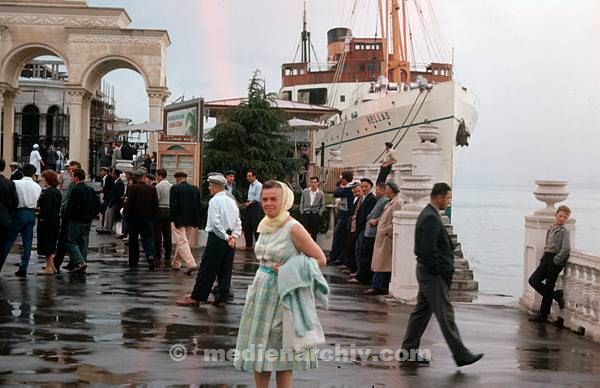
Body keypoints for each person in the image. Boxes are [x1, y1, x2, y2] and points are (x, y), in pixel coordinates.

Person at [233, 180, 327, 388]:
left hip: (283, 294)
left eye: (273, 199)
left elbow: (320, 259)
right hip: (261, 292)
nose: (268, 203)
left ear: (284, 200)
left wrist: (292, 268)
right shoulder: (265, 224)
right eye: (264, 199)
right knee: (260, 351)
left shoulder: (294, 228)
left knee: (283, 353)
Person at [401, 183, 484, 367]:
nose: (448, 201)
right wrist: (439, 270)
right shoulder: (430, 217)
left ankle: (408, 352)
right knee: (446, 314)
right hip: (432, 275)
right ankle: (461, 354)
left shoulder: (429, 214)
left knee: (421, 313)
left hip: (427, 272)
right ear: (438, 197)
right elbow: (427, 250)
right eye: (447, 198)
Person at [176, 173, 242, 307]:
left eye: (210, 185)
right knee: (225, 269)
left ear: (216, 186)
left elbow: (215, 223)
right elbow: (238, 222)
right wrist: (234, 236)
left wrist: (225, 236)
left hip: (218, 238)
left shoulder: (215, 201)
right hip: (230, 239)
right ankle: (221, 298)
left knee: (207, 268)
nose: (209, 188)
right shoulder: (231, 201)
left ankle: (197, 297)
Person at [528, 205, 571, 323]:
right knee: (533, 280)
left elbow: (566, 248)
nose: (562, 218)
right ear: (556, 215)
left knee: (549, 286)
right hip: (546, 258)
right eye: (560, 215)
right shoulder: (550, 228)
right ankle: (556, 296)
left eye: (565, 217)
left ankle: (543, 315)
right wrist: (543, 259)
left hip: (555, 260)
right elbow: (547, 245)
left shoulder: (564, 231)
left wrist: (557, 260)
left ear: (567, 219)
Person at [0, 164, 42, 277]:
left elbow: (12, 198)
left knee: (8, 241)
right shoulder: (37, 186)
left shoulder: (16, 183)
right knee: (27, 242)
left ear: (22, 172)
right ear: (33, 174)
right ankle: (23, 267)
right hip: (31, 213)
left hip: (18, 212)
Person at [365, 181, 403, 295]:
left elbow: (396, 220)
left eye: (386, 188)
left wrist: (386, 230)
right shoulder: (390, 202)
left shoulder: (398, 203)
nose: (385, 190)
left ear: (391, 189)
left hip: (387, 238)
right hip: (382, 236)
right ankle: (378, 285)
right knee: (380, 262)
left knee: (382, 263)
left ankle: (377, 286)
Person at [62, 168, 100, 274]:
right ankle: (83, 260)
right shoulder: (90, 189)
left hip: (76, 219)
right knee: (83, 241)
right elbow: (97, 204)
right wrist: (91, 215)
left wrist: (66, 216)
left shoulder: (76, 190)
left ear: (77, 178)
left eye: (73, 176)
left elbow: (71, 206)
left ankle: (79, 261)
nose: (71, 178)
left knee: (70, 241)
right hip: (87, 220)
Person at [355, 182, 388, 285]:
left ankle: (364, 277)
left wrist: (376, 221)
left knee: (367, 255)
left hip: (372, 231)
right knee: (362, 252)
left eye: (377, 190)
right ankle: (361, 274)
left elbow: (383, 215)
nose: (376, 191)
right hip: (367, 230)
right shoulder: (379, 200)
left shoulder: (383, 201)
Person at [125, 170, 158, 270]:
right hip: (147, 218)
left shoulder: (132, 188)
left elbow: (129, 204)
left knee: (133, 240)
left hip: (134, 219)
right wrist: (153, 217)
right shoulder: (152, 189)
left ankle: (133, 260)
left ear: (135, 177)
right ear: (144, 177)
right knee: (148, 238)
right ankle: (150, 256)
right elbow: (155, 205)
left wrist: (127, 216)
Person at [169, 171, 202, 273]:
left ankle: (191, 263)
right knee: (183, 242)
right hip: (190, 220)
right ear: (185, 178)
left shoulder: (174, 188)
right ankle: (176, 263)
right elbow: (198, 206)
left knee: (182, 242)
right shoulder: (195, 189)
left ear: (177, 179)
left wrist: (173, 218)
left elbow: (173, 206)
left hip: (178, 219)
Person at [347, 178, 377, 283]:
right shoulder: (363, 198)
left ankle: (361, 275)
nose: (364, 189)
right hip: (359, 229)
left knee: (362, 252)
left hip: (364, 229)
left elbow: (367, 216)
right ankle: (359, 272)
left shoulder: (371, 199)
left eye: (366, 187)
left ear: (371, 187)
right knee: (358, 250)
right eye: (362, 186)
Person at [54, 160, 82, 272]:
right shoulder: (71, 183)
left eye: (73, 170)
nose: (71, 172)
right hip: (66, 214)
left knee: (67, 240)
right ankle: (59, 263)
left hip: (70, 216)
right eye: (70, 169)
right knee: (63, 240)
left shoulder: (75, 185)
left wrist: (65, 212)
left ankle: (75, 262)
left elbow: (71, 202)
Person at [36, 170, 62, 275]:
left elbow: (46, 208)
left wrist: (41, 218)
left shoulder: (48, 193)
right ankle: (52, 266)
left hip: (47, 222)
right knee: (51, 243)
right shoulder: (56, 192)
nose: (42, 181)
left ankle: (49, 267)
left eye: (44, 179)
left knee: (47, 244)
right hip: (54, 220)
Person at [328, 171, 355, 265]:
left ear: (344, 179)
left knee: (338, 236)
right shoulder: (350, 187)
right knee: (340, 236)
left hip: (345, 215)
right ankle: (338, 257)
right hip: (343, 213)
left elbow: (336, 192)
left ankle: (334, 256)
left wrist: (340, 187)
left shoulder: (349, 188)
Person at [0, 159, 18, 259]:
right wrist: (8, 213)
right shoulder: (9, 183)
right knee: (2, 245)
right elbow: (15, 202)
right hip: (4, 218)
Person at [299, 176, 326, 241]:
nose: (313, 184)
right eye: (311, 182)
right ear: (310, 183)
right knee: (305, 231)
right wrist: (302, 212)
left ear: (317, 183)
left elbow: (323, 204)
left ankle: (313, 246)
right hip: (306, 213)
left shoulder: (320, 193)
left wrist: (320, 213)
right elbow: (302, 202)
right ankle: (305, 246)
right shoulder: (305, 191)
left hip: (315, 214)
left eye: (315, 182)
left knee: (314, 232)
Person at [241, 169, 262, 250]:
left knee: (255, 225)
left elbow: (257, 198)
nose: (247, 178)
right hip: (249, 205)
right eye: (247, 176)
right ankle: (248, 245)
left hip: (255, 206)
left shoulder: (258, 185)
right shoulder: (251, 185)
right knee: (247, 226)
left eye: (249, 176)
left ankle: (258, 246)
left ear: (254, 176)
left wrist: (249, 203)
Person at [154, 169, 172, 264]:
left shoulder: (158, 186)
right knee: (167, 233)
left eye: (157, 175)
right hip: (168, 210)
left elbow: (156, 200)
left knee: (158, 233)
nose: (156, 177)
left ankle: (158, 253)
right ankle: (168, 253)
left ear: (160, 176)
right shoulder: (171, 186)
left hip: (160, 209)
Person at [104, 169, 124, 235]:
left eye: (113, 174)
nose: (112, 175)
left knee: (111, 215)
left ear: (116, 174)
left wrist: (112, 202)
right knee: (109, 214)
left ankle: (109, 228)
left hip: (115, 202)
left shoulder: (120, 183)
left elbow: (118, 194)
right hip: (112, 201)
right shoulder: (116, 182)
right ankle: (108, 228)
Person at [96, 167, 114, 233]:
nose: (101, 173)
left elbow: (108, 188)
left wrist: (103, 191)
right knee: (102, 211)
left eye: (102, 171)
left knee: (105, 211)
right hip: (105, 197)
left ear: (106, 172)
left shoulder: (108, 178)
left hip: (107, 197)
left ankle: (105, 227)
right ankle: (103, 226)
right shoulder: (103, 179)